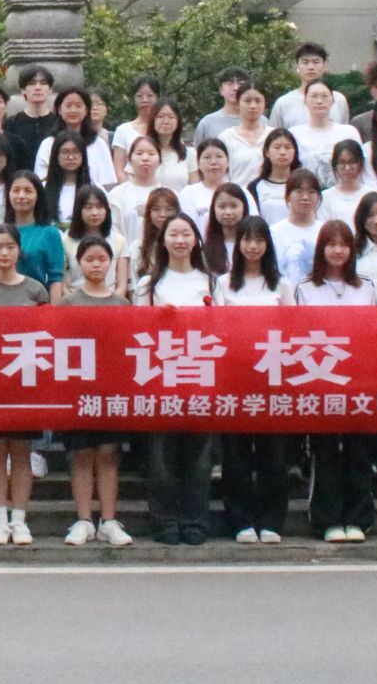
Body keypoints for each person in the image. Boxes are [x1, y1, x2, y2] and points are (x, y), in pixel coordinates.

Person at [293, 220, 377, 542]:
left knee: (359, 450)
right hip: (321, 378)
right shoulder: (305, 288)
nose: (338, 250)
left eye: (344, 244)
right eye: (332, 244)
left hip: (360, 379)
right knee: (325, 451)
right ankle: (327, 520)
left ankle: (358, 519)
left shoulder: (366, 286)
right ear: (321, 249)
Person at [0, 224, 51, 545]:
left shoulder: (36, 290)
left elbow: (47, 334)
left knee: (21, 453)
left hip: (25, 381)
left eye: (10, 247)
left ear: (19, 251)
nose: (4, 253)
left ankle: (19, 520)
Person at [55, 236, 135, 548]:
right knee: (81, 454)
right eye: (90, 259)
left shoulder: (121, 304)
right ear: (79, 263)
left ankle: (109, 520)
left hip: (111, 388)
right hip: (78, 387)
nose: (96, 264)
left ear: (111, 262)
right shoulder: (68, 302)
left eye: (102, 259)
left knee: (108, 454)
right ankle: (84, 519)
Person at [144, 216, 218, 545]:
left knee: (199, 457)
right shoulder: (149, 284)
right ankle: (165, 521)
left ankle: (195, 521)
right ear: (162, 240)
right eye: (173, 234)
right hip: (161, 376)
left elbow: (224, 325)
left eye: (186, 233)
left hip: (201, 375)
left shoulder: (211, 281)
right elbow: (136, 328)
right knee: (162, 456)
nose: (179, 240)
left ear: (196, 240)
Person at [217, 217, 291, 545]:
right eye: (247, 240)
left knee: (273, 452)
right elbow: (217, 328)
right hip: (235, 375)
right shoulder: (224, 283)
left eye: (259, 240)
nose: (253, 246)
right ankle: (241, 520)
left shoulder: (281, 285)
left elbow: (293, 328)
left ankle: (271, 520)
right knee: (236, 453)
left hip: (272, 376)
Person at [1, 171, 64, 299]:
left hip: (37, 302)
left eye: (28, 191)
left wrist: (54, 310)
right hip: (4, 302)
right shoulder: (1, 231)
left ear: (38, 196)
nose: (21, 196)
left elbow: (56, 279)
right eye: (16, 190)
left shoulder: (49, 233)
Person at [35, 87, 115, 187]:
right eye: (68, 106)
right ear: (59, 110)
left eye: (78, 106)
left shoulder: (98, 144)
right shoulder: (48, 144)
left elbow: (107, 183)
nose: (73, 110)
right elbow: (40, 182)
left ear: (86, 110)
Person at [288, 79, 362, 179]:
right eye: (314, 96)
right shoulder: (294, 134)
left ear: (332, 100)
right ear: (305, 101)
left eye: (325, 96)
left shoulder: (349, 132)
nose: (319, 101)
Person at [64, 184, 128, 296]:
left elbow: (122, 286)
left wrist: (113, 302)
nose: (94, 213)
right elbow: (62, 285)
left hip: (110, 301)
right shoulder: (66, 241)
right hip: (75, 301)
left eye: (99, 207)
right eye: (88, 207)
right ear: (78, 210)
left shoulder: (119, 241)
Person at [268, 42, 349, 130]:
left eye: (316, 62)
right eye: (305, 62)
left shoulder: (339, 100)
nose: (310, 67)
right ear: (297, 67)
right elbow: (273, 136)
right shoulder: (283, 103)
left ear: (324, 66)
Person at [176, 139, 243, 238]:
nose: (213, 162)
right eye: (207, 157)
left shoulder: (241, 191)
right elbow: (187, 227)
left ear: (228, 161)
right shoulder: (188, 194)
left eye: (219, 156)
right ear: (198, 163)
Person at [267, 170, 326, 280]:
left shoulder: (325, 231)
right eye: (299, 191)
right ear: (288, 196)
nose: (305, 197)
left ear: (318, 196)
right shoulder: (274, 233)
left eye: (312, 192)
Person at [2, 64, 62, 170]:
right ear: (23, 90)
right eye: (32, 83)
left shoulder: (60, 123)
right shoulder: (10, 125)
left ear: (50, 89)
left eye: (43, 83)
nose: (38, 87)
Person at [218, 83, 274, 187]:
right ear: (237, 103)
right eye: (247, 101)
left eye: (258, 101)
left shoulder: (273, 136)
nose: (253, 106)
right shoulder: (226, 137)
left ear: (265, 104)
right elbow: (221, 174)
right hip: (236, 194)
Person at [109, 76, 164, 176]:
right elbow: (119, 170)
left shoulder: (164, 128)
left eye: (150, 95)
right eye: (139, 96)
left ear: (158, 98)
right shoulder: (123, 130)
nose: (144, 100)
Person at [246, 129, 299, 225]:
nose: (282, 152)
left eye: (288, 147)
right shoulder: (255, 187)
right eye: (277, 147)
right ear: (267, 152)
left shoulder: (301, 184)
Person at [41, 131, 93, 228]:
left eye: (76, 151)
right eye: (65, 152)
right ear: (56, 155)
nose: (71, 157)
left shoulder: (94, 188)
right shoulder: (42, 188)